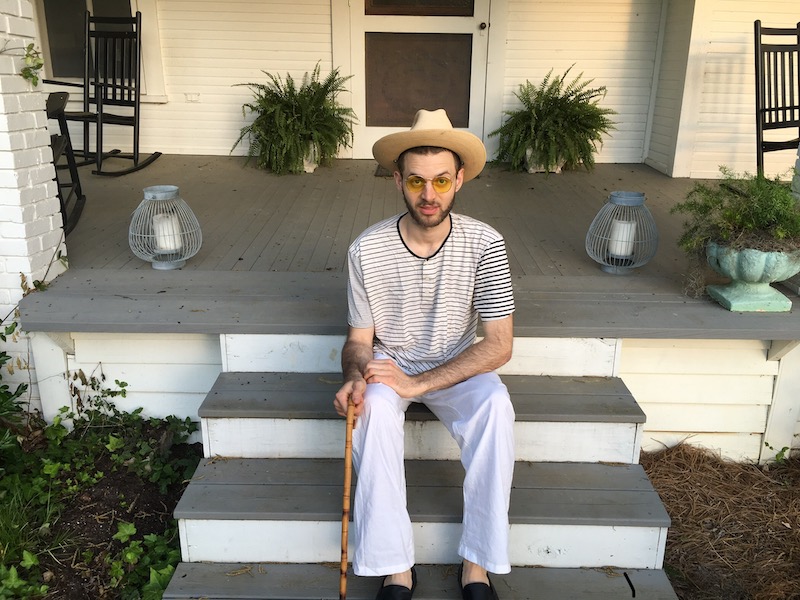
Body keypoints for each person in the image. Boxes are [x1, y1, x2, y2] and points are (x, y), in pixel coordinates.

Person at [334, 108, 516, 600]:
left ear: (460, 179)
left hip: (457, 363)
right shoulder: (366, 249)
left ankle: (477, 565)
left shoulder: (485, 243)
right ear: (399, 181)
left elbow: (499, 345)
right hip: (390, 363)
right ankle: (396, 569)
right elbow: (359, 341)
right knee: (370, 412)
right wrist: (354, 375)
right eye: (416, 181)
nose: (429, 195)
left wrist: (419, 384)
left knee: (496, 406)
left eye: (440, 180)